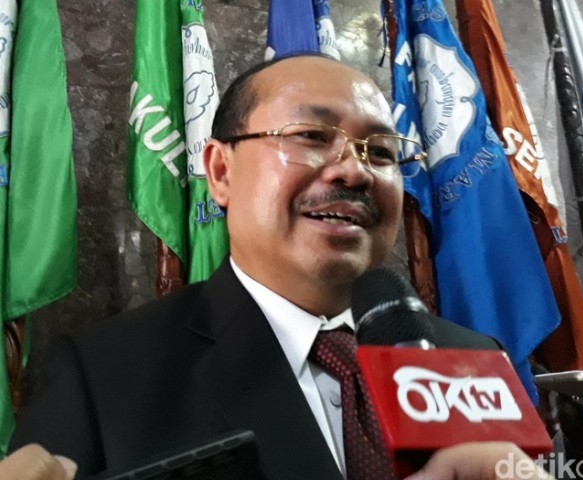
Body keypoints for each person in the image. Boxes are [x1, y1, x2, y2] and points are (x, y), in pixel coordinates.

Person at [6, 54, 550, 480]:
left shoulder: (473, 360)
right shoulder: (104, 375)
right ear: (221, 172)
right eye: (311, 136)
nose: (355, 172)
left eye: (382, 151)